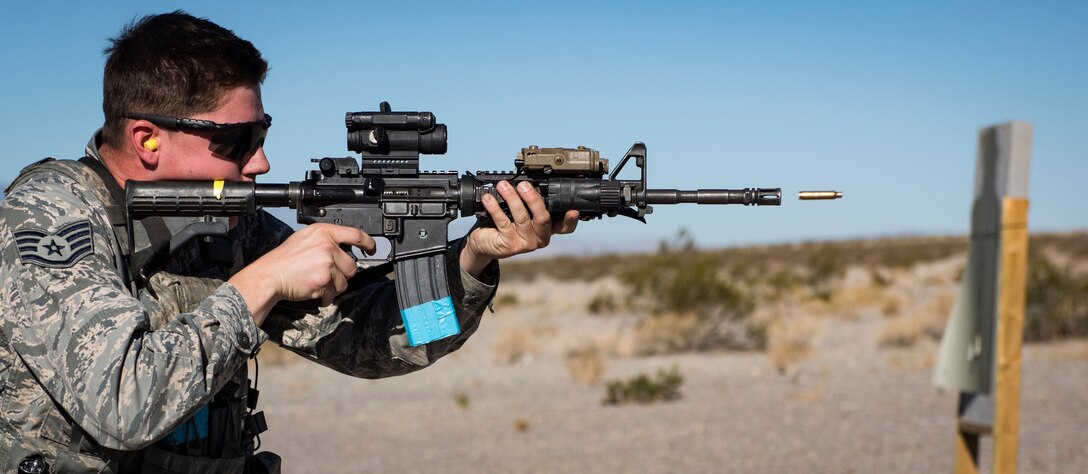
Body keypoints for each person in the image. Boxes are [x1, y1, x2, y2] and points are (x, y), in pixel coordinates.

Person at [0, 11, 578, 473]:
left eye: (264, 132)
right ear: (147, 138)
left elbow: (374, 345)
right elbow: (122, 403)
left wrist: (471, 260)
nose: (261, 160)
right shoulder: (50, 215)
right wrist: (264, 281)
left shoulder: (230, 226)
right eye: (238, 139)